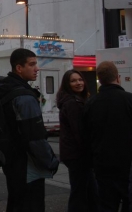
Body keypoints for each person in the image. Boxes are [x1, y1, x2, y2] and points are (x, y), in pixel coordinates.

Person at [0, 48, 59, 211]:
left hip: (11, 160)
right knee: (31, 204)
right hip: (27, 163)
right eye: (32, 64)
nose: (37, 68)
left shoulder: (5, 89)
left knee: (16, 202)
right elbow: (34, 137)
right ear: (19, 68)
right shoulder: (25, 98)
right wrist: (51, 161)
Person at [83, 61, 132, 211]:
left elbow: (85, 135)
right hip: (127, 163)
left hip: (102, 163)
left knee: (107, 204)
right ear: (118, 78)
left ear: (100, 80)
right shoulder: (129, 99)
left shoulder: (91, 103)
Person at [56, 69, 97, 211]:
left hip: (74, 154)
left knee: (88, 191)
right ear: (67, 84)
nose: (78, 83)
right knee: (80, 192)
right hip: (77, 155)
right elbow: (79, 131)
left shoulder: (73, 100)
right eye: (73, 81)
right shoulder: (73, 103)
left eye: (80, 80)